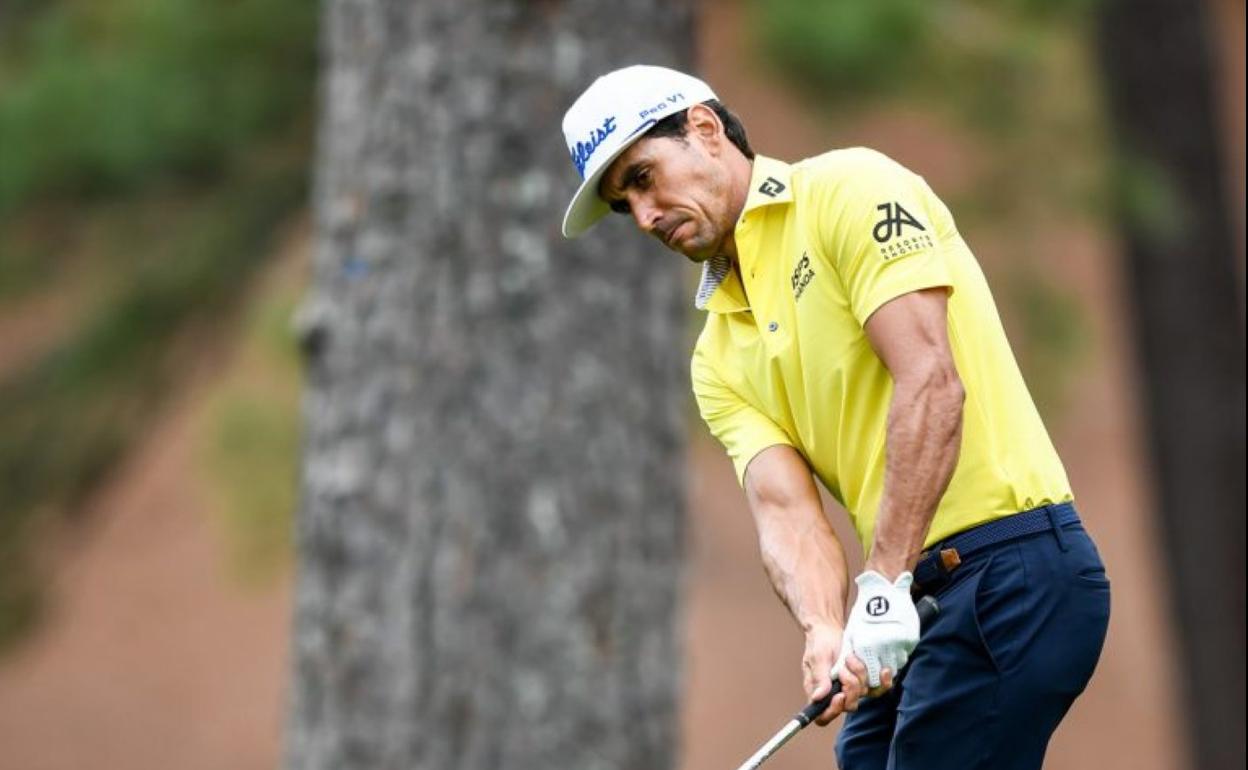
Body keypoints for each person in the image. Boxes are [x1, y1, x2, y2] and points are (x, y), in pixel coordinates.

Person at [559, 64, 1111, 769]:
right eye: (621, 204)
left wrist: (880, 586)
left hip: (1014, 571)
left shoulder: (850, 191)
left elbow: (932, 384)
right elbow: (786, 514)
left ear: (703, 129)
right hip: (912, 602)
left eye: (642, 177)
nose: (643, 216)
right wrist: (824, 627)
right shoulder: (718, 356)